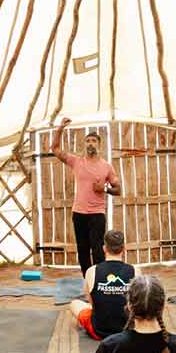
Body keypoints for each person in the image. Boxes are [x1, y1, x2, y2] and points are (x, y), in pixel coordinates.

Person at [53, 118, 121, 275]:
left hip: (97, 214)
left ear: (99, 145)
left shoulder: (106, 166)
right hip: (79, 213)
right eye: (88, 141)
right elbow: (55, 149)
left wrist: (104, 188)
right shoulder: (76, 162)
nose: (90, 143)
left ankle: (99, 280)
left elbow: (118, 189)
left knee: (97, 249)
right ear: (85, 144)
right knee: (82, 250)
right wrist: (61, 128)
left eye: (94, 141)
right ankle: (87, 280)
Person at [68, 230, 135, 340]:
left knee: (74, 304)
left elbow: (91, 301)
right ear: (124, 248)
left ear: (104, 248)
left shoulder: (92, 271)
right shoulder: (135, 270)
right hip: (127, 330)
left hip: (98, 330)